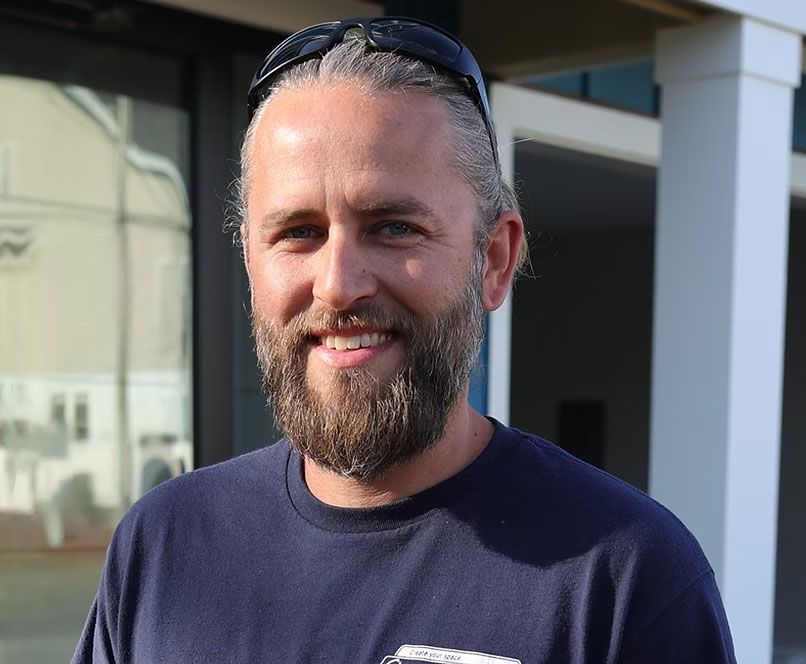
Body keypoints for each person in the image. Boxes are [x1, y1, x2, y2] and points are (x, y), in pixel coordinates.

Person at [73, 17, 736, 664]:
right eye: (299, 233)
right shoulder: (164, 547)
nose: (338, 286)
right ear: (251, 261)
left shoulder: (625, 580)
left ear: (494, 260)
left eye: (394, 228)